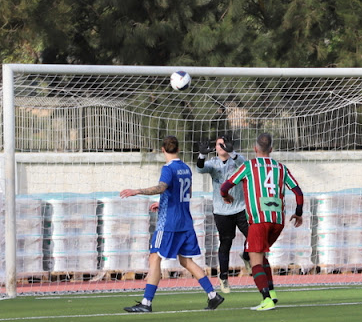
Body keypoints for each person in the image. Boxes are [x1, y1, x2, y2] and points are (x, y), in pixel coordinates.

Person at [121, 136, 224, 312]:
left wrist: (136, 191)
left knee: (155, 257)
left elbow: (161, 187)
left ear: (163, 149)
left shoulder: (168, 168)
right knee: (186, 260)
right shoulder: (186, 168)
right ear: (178, 149)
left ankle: (146, 303)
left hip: (169, 223)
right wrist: (163, 202)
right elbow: (186, 193)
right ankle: (213, 295)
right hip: (185, 221)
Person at [220, 133, 304, 311]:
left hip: (259, 220)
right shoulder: (281, 168)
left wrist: (225, 196)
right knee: (260, 255)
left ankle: (266, 299)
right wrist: (298, 213)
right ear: (271, 149)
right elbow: (298, 192)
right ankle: (272, 293)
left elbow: (225, 186)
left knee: (255, 260)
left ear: (255, 148)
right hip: (277, 221)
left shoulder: (249, 166)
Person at [196, 135, 251, 294]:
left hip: (240, 208)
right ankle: (224, 277)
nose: (221, 147)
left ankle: (246, 256)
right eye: (218, 144)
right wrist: (201, 155)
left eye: (224, 144)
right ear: (215, 148)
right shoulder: (213, 163)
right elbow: (200, 169)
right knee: (226, 243)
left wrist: (232, 152)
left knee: (253, 235)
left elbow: (246, 167)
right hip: (221, 211)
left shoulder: (237, 159)